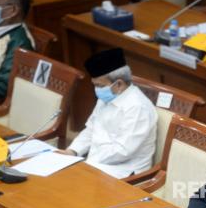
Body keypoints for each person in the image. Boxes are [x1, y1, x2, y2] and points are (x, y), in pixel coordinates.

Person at [61, 48, 158, 179]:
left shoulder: (138, 107)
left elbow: (122, 151)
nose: (97, 90)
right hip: (97, 164)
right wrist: (72, 151)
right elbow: (91, 130)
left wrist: (86, 162)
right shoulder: (106, 98)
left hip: (124, 172)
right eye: (94, 85)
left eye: (100, 86)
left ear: (119, 84)